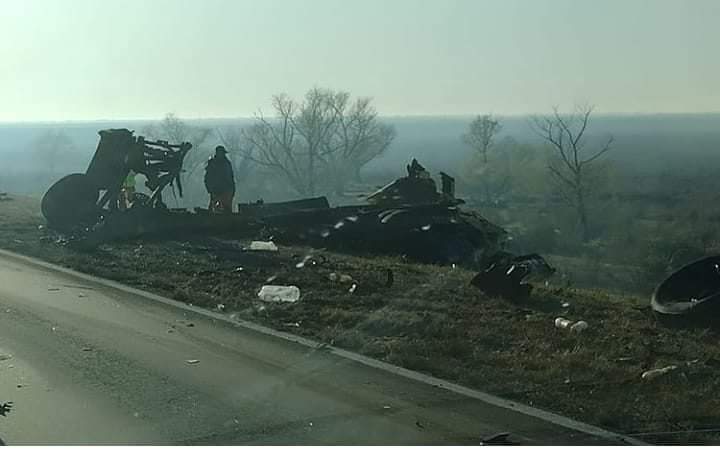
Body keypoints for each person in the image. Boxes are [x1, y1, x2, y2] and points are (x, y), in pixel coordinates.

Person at [204, 145, 235, 213]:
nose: (223, 155)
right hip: (215, 191)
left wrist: (232, 190)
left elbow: (231, 177)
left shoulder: (227, 163)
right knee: (214, 210)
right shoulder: (212, 164)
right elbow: (207, 178)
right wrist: (210, 189)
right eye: (222, 153)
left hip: (227, 191)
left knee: (227, 211)